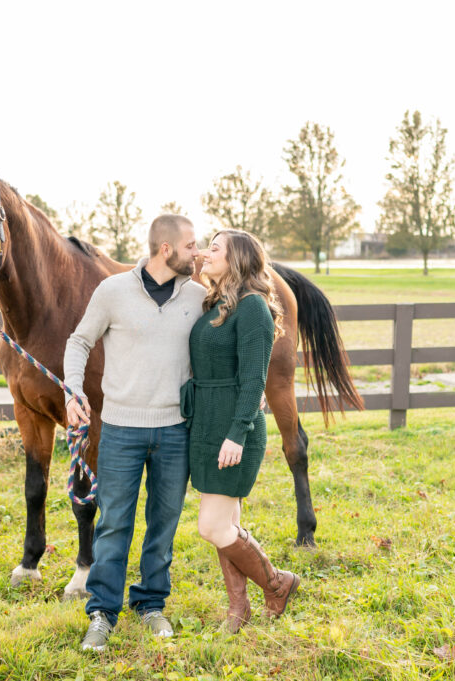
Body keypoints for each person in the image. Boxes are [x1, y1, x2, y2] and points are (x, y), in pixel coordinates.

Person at [63, 214, 205, 651]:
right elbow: (79, 341)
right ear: (166, 249)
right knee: (114, 524)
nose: (196, 253)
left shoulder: (199, 296)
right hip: (122, 429)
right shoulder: (113, 291)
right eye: (191, 245)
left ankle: (150, 603)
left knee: (163, 523)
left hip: (176, 430)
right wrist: (72, 391)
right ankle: (103, 613)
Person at [182, 229, 300, 634]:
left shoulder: (252, 309)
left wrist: (237, 433)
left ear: (238, 259)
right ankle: (238, 609)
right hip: (206, 423)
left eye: (215, 248)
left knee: (212, 526)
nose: (205, 252)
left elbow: (254, 381)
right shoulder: (216, 303)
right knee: (226, 522)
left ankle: (276, 582)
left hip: (235, 428)